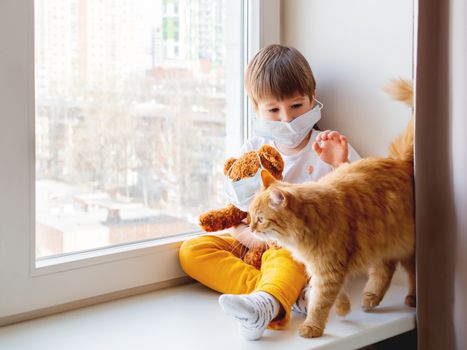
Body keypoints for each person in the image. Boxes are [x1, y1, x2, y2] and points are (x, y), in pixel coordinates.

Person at [179, 44, 360, 340]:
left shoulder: (328, 145)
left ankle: (269, 301)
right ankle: (284, 297)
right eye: (274, 110)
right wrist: (252, 238)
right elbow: (236, 215)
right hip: (253, 242)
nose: (287, 118)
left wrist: (340, 163)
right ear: (257, 110)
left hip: (300, 251)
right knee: (191, 252)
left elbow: (359, 203)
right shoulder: (252, 151)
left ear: (313, 99)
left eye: (296, 106)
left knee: (285, 253)